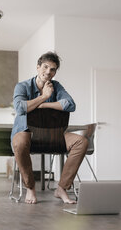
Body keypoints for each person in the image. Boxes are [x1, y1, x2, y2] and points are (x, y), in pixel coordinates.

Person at [11, 51, 88, 204]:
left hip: (53, 135)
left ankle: (61, 188)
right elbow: (20, 108)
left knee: (82, 142)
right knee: (19, 142)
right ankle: (31, 188)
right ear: (38, 67)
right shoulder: (22, 86)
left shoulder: (56, 86)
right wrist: (44, 96)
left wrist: (42, 104)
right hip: (27, 133)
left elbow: (70, 105)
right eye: (45, 67)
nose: (48, 72)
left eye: (52, 69)